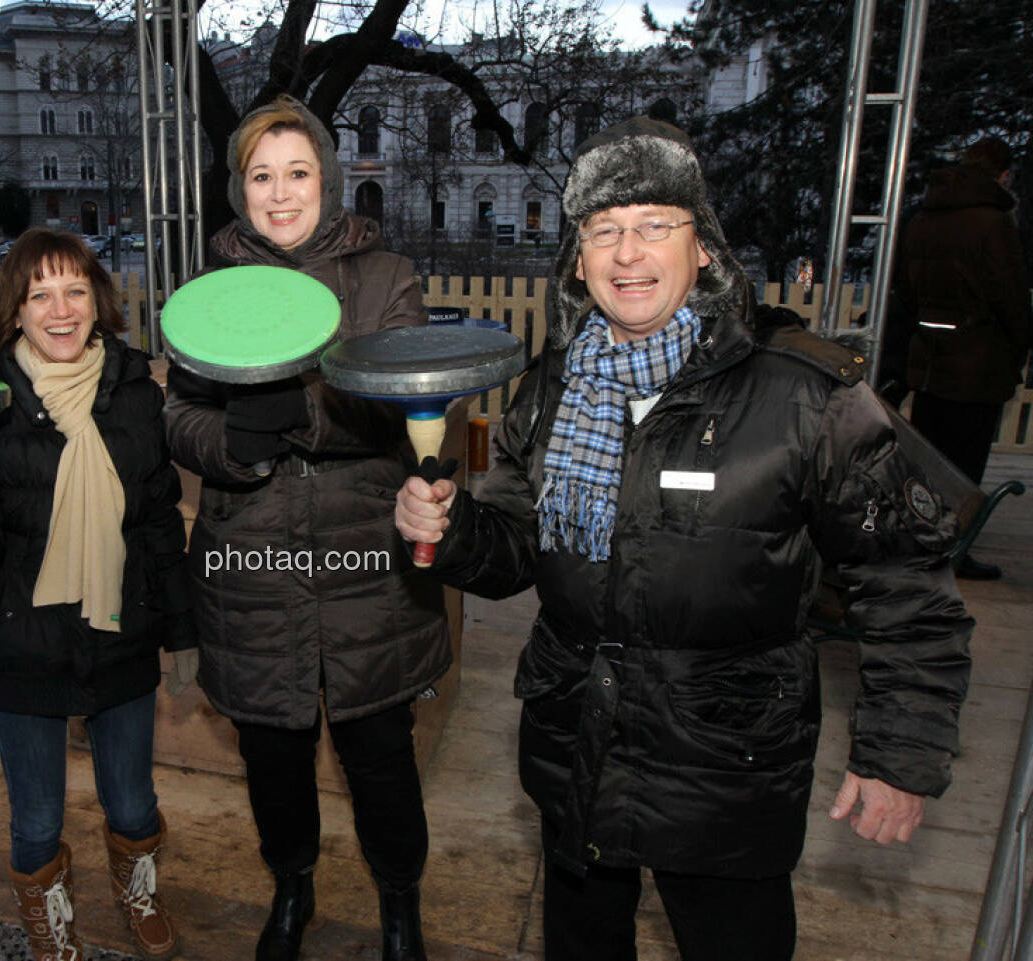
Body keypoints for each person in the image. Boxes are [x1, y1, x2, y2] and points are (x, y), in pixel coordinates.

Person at [395, 117, 973, 960]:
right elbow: (517, 547)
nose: (628, 253)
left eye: (653, 225)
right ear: (579, 257)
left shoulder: (805, 395)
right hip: (576, 748)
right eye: (604, 231)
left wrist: (900, 753)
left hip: (723, 770)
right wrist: (448, 531)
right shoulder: (554, 385)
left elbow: (906, 582)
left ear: (702, 248)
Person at [163, 95, 450, 961]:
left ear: (326, 180)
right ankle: (292, 888)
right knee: (273, 762)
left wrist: (305, 412)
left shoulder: (386, 276)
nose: (280, 194)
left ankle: (400, 900)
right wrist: (235, 441)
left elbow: (403, 401)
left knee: (381, 759)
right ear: (237, 189)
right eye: (261, 176)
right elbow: (177, 415)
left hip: (368, 566)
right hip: (250, 567)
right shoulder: (208, 293)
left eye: (298, 173)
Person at [0, 228, 194, 961]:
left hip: (120, 630)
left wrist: (182, 629)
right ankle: (49, 922)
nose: (60, 310)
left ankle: (138, 889)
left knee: (132, 801)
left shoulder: (134, 396)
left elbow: (155, 519)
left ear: (100, 301)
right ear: (14, 311)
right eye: (40, 294)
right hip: (20, 638)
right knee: (36, 817)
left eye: (76, 290)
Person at [891, 135, 1032, 580]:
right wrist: (1020, 342)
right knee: (965, 465)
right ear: (1002, 175)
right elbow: (1010, 296)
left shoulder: (923, 218)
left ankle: (918, 538)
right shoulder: (993, 224)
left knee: (928, 458)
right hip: (977, 360)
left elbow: (905, 290)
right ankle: (952, 550)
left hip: (929, 356)